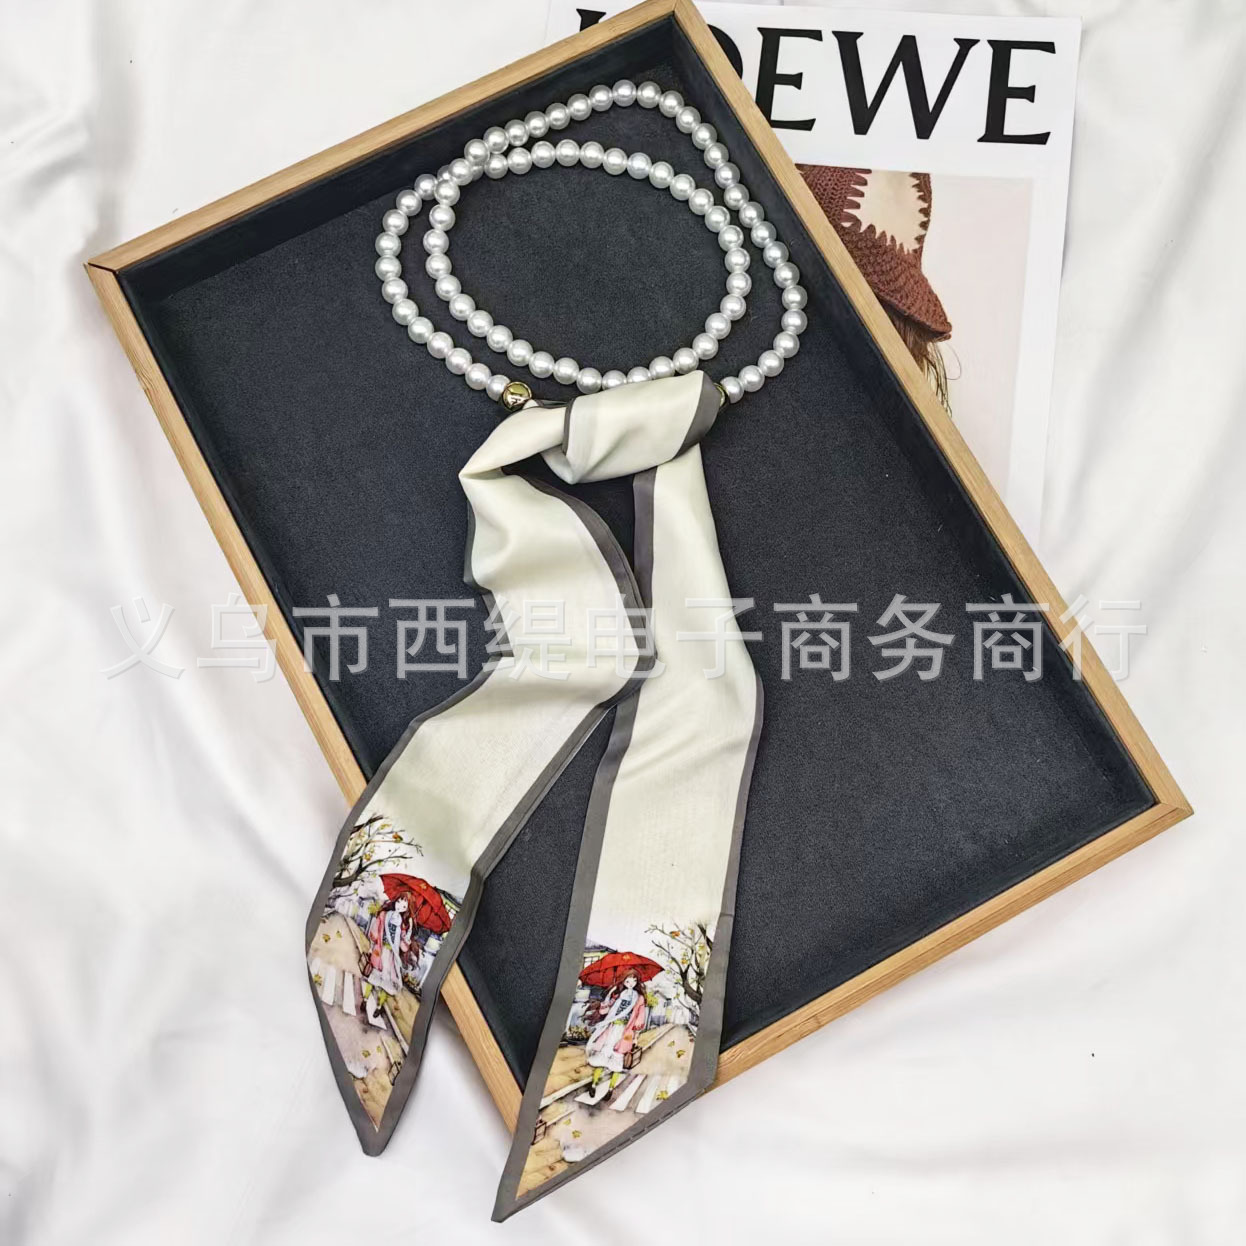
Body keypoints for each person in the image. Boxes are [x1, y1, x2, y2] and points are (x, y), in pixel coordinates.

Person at [584, 971, 649, 1096]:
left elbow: (640, 1018)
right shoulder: (618, 995)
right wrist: (609, 996)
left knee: (617, 1060)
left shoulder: (639, 998)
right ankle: (593, 1085)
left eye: (634, 980)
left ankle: (610, 1089)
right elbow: (604, 1012)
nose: (631, 983)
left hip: (626, 1032)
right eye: (628, 981)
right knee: (603, 1056)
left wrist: (636, 1036)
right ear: (623, 981)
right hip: (612, 1029)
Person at [362, 892, 414, 1028]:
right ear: (395, 901)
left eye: (404, 905)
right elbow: (374, 932)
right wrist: (373, 943)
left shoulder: (402, 925)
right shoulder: (384, 915)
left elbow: (403, 947)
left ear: (406, 909)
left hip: (391, 956)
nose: (400, 906)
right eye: (399, 902)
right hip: (379, 951)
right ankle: (365, 1000)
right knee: (373, 977)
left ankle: (379, 1007)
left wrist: (408, 933)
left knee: (386, 982)